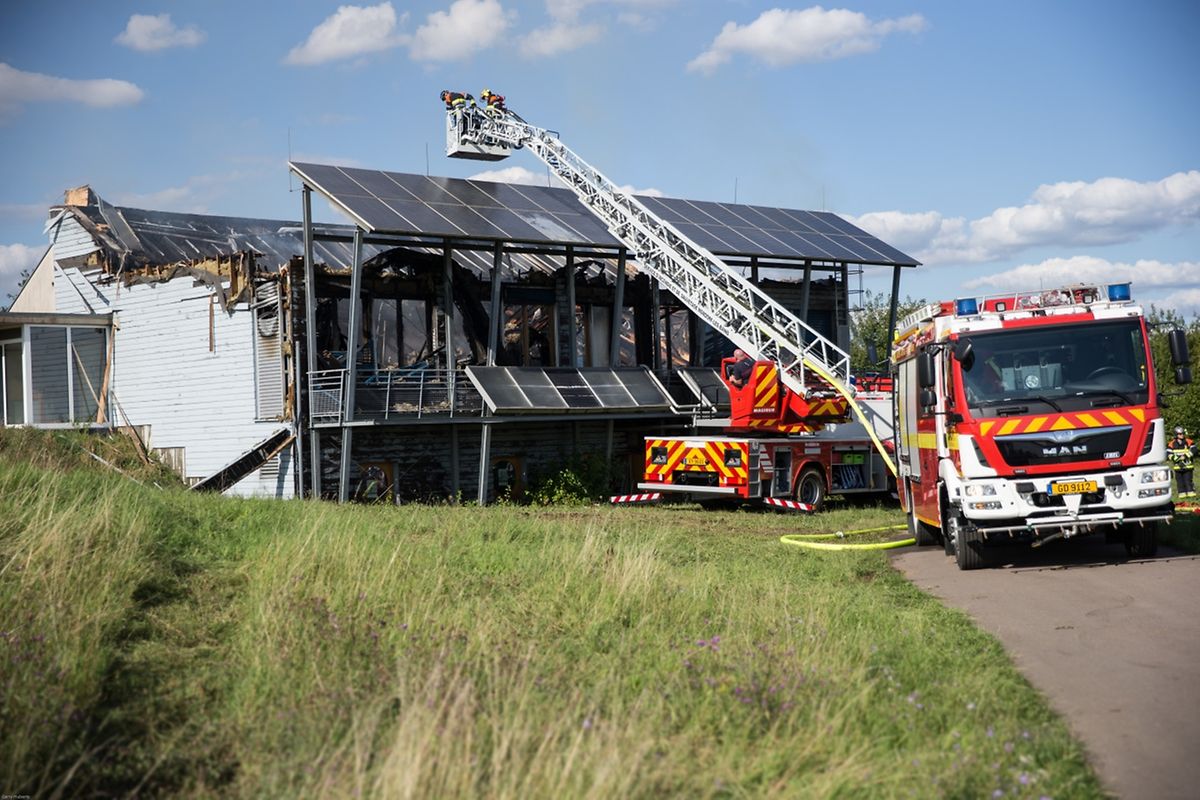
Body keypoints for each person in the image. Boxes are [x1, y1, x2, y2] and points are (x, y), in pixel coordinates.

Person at [1167, 426, 1198, 499]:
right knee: (1179, 482)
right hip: (1178, 467)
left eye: (1182, 433)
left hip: (1188, 466)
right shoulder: (1172, 444)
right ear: (1176, 435)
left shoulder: (1189, 441)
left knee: (1188, 481)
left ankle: (1191, 495)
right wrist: (1177, 459)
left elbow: (1194, 450)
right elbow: (1168, 454)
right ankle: (1182, 496)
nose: (1182, 435)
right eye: (1180, 434)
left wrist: (1186, 456)